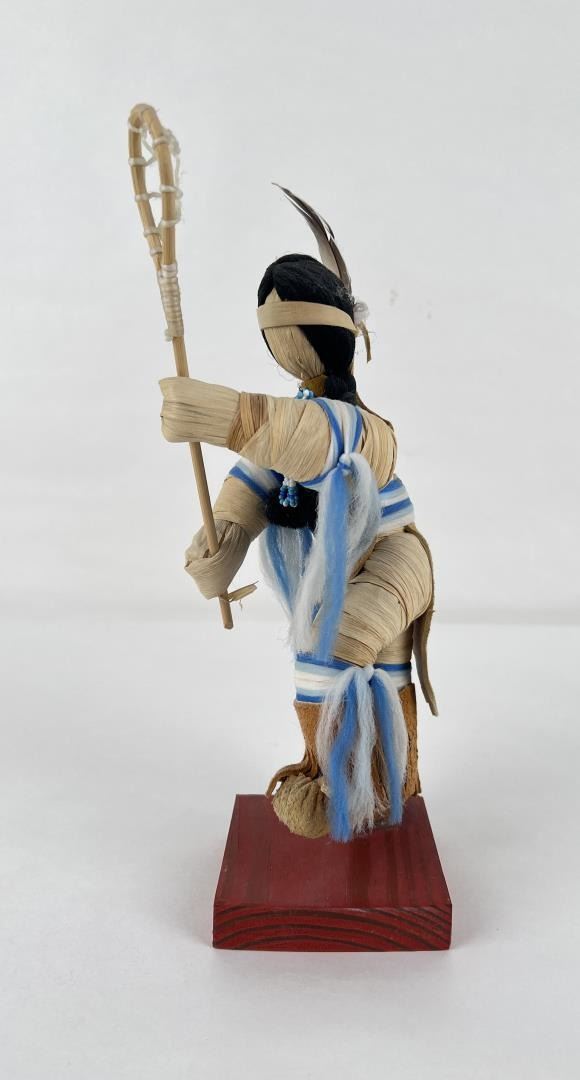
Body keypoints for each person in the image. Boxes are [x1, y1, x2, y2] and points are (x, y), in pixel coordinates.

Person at [159, 191, 437, 842]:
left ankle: (337, 781)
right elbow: (254, 479)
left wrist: (220, 415)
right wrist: (222, 543)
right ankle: (350, 779)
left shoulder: (362, 428)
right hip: (345, 568)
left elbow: (302, 438)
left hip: (395, 559)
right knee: (351, 663)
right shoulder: (302, 418)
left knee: (335, 645)